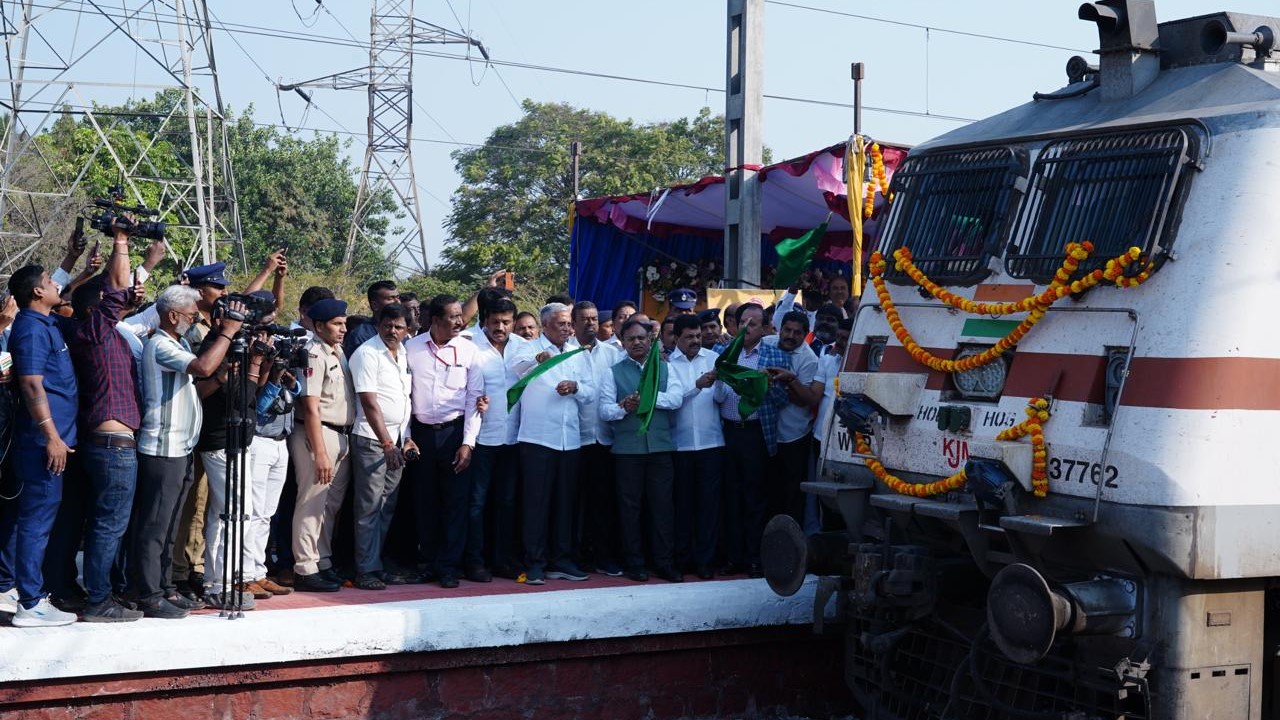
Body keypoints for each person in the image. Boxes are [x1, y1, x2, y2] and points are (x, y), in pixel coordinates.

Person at [133, 286, 244, 619]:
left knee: (169, 525)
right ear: (172, 316)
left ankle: (165, 585)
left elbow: (200, 384)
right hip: (162, 447)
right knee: (154, 525)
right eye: (191, 315)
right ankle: (148, 593)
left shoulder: (178, 342)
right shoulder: (160, 344)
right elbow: (202, 367)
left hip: (181, 447)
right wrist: (227, 332)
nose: (195, 319)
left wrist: (222, 377)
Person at [67, 225, 144, 622]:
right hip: (112, 447)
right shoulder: (92, 332)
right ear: (94, 307)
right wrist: (121, 242)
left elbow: (121, 295)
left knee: (109, 523)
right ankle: (98, 599)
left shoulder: (104, 332)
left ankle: (104, 592)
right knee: (108, 524)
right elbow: (114, 290)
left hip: (111, 444)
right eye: (109, 301)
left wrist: (138, 276)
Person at [0, 264, 80, 626]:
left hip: (50, 439)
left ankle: (12, 586)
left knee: (26, 518)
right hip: (43, 443)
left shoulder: (44, 323)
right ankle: (31, 604)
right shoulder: (31, 329)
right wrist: (51, 436)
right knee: (37, 520)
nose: (55, 286)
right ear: (36, 293)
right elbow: (33, 385)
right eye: (49, 282)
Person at [508, 303, 596, 585]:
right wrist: (538, 358)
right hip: (537, 438)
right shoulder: (526, 347)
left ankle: (562, 559)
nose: (568, 329)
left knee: (565, 503)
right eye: (562, 324)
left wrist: (576, 387)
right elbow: (518, 370)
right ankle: (535, 562)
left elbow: (591, 390)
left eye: (570, 324)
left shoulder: (576, 352)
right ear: (545, 325)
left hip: (569, 439)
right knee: (536, 503)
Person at [404, 295, 483, 588]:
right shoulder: (411, 348)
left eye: (459, 316)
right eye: (451, 317)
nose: (459, 322)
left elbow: (475, 398)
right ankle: (428, 562)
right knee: (424, 502)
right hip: (421, 434)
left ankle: (449, 566)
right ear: (435, 320)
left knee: (455, 503)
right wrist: (407, 437)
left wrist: (468, 443)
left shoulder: (469, 350)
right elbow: (404, 396)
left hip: (455, 433)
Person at [599, 318, 684, 583]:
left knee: (662, 508)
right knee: (629, 509)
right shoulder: (612, 372)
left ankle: (663, 562)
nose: (636, 342)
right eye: (630, 339)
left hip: (660, 449)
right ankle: (634, 563)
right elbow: (604, 410)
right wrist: (623, 406)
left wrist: (648, 397)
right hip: (627, 451)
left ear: (650, 340)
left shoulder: (667, 369)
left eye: (641, 338)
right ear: (622, 343)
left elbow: (676, 399)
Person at [715, 302, 789, 578]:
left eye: (753, 324)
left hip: (757, 433)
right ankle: (733, 558)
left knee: (755, 498)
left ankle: (754, 557)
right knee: (730, 497)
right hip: (728, 432)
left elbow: (783, 400)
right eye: (742, 322)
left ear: (765, 328)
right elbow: (715, 394)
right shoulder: (722, 352)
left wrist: (767, 387)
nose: (747, 328)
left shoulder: (774, 355)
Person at [289, 298, 355, 593]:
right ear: (318, 326)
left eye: (344, 323)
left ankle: (321, 560)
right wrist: (320, 453)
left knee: (331, 505)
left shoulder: (337, 351)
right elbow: (311, 406)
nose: (343, 329)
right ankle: (304, 566)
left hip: (340, 431)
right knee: (311, 501)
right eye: (336, 324)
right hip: (318, 433)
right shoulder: (313, 353)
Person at [349, 304, 415, 591]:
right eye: (388, 325)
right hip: (372, 440)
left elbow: (404, 400)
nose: (393, 331)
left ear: (406, 329)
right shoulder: (367, 353)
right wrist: (387, 442)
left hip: (397, 441)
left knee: (386, 506)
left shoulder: (404, 354)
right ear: (379, 324)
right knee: (369, 506)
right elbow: (369, 402)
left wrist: (406, 437)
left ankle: (375, 564)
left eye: (399, 326)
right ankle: (365, 569)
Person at [466, 297, 524, 581]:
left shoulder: (524, 348)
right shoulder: (471, 347)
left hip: (512, 438)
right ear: (485, 321)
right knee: (476, 503)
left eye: (506, 322)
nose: (500, 327)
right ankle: (475, 561)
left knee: (507, 501)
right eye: (495, 322)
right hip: (481, 439)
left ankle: (502, 560)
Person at [567, 300, 622, 577]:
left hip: (604, 439)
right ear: (573, 323)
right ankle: (575, 556)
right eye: (584, 320)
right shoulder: (565, 354)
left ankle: (603, 555)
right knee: (576, 504)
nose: (590, 324)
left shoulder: (612, 355)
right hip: (575, 440)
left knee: (602, 502)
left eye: (594, 319)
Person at [667, 314, 723, 580]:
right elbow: (672, 400)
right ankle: (682, 560)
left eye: (698, 336)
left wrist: (722, 380)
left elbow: (722, 398)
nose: (695, 341)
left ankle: (705, 561)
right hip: (681, 446)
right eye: (689, 337)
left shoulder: (713, 360)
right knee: (682, 507)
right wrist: (697, 386)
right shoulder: (666, 365)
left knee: (708, 507)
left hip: (712, 444)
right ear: (676, 338)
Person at [244, 329, 298, 599]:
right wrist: (273, 376)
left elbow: (294, 397)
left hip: (281, 443)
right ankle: (244, 575)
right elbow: (260, 407)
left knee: (267, 513)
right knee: (252, 513)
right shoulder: (255, 368)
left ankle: (258, 572)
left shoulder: (281, 373)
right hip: (259, 441)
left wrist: (287, 377)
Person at [764, 311, 821, 525]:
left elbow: (804, 400)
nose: (790, 335)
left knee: (792, 495)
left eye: (797, 333)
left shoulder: (809, 359)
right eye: (787, 330)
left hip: (794, 436)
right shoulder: (767, 343)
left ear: (805, 335)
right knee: (767, 493)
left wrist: (788, 380)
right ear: (780, 329)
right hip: (766, 432)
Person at [344, 280, 399, 358]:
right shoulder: (361, 335)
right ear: (374, 305)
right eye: (390, 298)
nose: (398, 302)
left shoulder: (401, 332)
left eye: (398, 297)